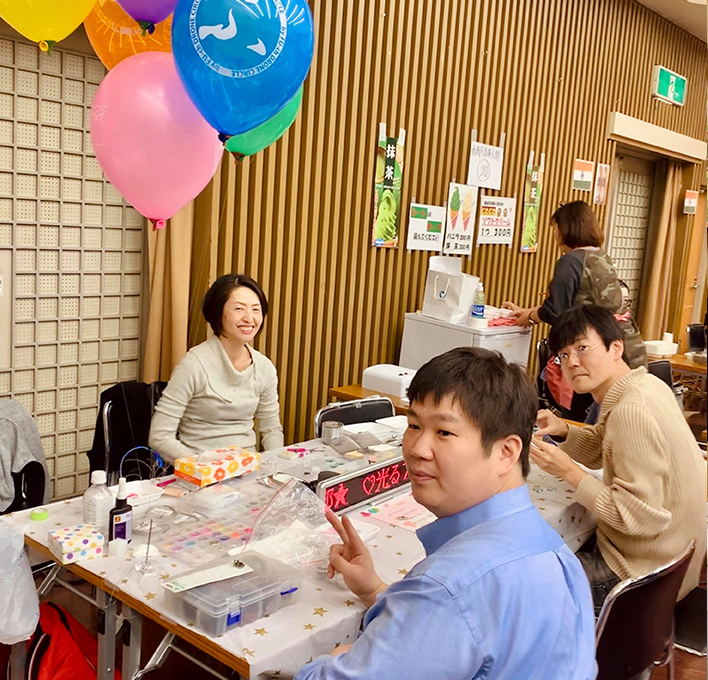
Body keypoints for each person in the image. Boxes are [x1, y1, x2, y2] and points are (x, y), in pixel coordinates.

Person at [295, 348, 596, 680]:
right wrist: (374, 589)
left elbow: (452, 605)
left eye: (444, 432)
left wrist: (334, 659)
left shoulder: (447, 587)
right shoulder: (553, 549)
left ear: (506, 452)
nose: (417, 449)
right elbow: (463, 629)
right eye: (413, 425)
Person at [530, 304, 706, 613]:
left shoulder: (631, 410)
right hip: (675, 560)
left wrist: (569, 472)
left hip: (644, 575)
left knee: (524, 582)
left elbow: (638, 518)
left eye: (582, 348)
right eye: (564, 355)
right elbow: (604, 446)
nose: (573, 363)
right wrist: (563, 430)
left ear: (616, 348)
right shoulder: (645, 385)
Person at [503, 201, 647, 420]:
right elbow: (577, 302)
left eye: (555, 228)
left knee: (585, 417)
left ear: (567, 228)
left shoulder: (570, 261)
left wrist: (530, 317)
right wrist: (529, 311)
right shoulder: (600, 257)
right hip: (624, 344)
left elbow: (556, 311)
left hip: (593, 350)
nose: (554, 235)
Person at [149, 274, 283, 464]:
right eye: (239, 309)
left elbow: (271, 429)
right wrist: (203, 468)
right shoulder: (194, 365)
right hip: (200, 472)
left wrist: (275, 466)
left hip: (248, 471)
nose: (249, 318)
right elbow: (159, 436)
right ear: (218, 313)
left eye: (256, 310)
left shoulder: (264, 368)